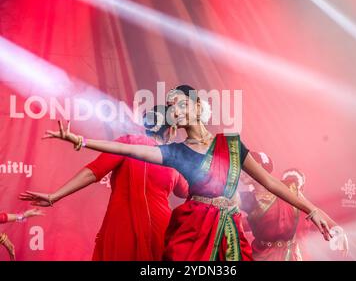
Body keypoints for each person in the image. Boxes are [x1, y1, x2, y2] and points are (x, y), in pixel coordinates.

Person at [38, 85, 335, 261]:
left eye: (179, 103)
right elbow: (129, 150)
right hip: (193, 234)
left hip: (229, 233)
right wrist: (83, 140)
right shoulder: (175, 152)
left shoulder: (230, 144)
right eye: (170, 107)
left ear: (196, 105)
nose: (174, 110)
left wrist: (312, 209)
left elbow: (269, 182)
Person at [19, 105, 188, 261]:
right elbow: (187, 191)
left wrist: (54, 196)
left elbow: (93, 172)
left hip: (122, 228)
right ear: (172, 130)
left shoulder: (130, 143)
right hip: (160, 229)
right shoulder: (175, 158)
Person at [239, 153, 348, 260]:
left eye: (245, 167)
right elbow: (236, 221)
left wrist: (336, 228)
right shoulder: (245, 198)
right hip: (262, 256)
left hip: (291, 255)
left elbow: (312, 209)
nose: (242, 172)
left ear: (259, 166)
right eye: (241, 168)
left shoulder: (288, 189)